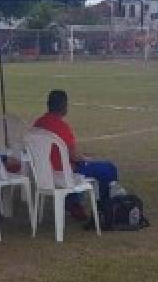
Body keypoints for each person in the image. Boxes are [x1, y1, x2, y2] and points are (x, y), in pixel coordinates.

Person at [33, 90, 119, 220]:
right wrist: (85, 158)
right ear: (64, 106)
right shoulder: (61, 126)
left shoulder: (38, 123)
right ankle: (103, 207)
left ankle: (74, 202)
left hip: (45, 173)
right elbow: (74, 156)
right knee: (108, 168)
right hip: (65, 172)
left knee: (92, 166)